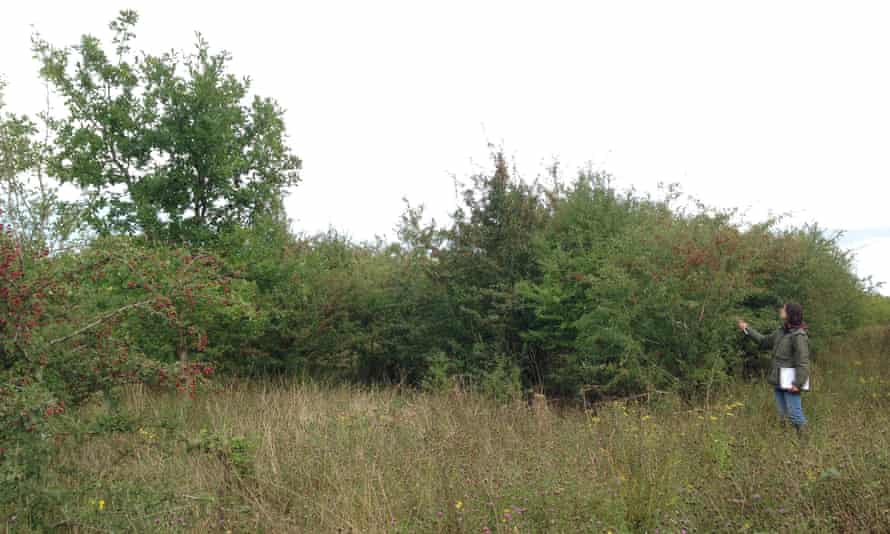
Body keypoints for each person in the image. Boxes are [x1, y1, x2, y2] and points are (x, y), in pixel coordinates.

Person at [737, 302, 810, 437]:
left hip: (791, 382)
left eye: (784, 308)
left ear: (790, 313)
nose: (781, 310)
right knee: (782, 415)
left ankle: (807, 445)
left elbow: (803, 361)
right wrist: (747, 328)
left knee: (795, 416)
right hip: (778, 379)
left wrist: (797, 384)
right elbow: (763, 341)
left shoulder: (799, 335)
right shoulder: (781, 331)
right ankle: (786, 443)